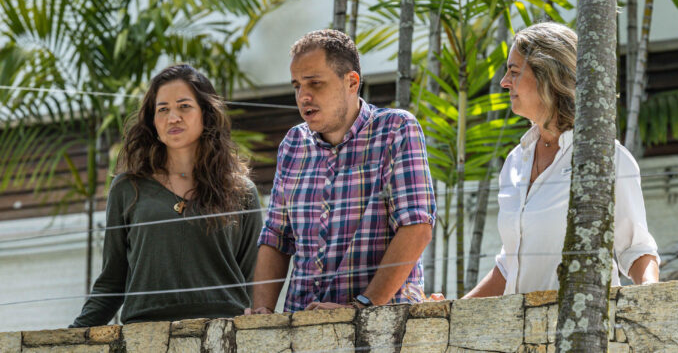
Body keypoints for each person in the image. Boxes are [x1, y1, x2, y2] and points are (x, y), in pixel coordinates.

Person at [246, 29, 436, 313]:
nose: (303, 96)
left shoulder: (396, 130)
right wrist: (261, 314)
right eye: (297, 85)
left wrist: (360, 308)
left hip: (383, 327)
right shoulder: (292, 144)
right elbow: (276, 237)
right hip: (302, 330)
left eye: (315, 83)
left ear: (351, 82)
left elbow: (417, 228)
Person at [464, 22, 660, 298]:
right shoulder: (514, 162)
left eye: (514, 72)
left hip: (584, 335)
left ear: (548, 76)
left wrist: (652, 302)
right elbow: (510, 266)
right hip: (516, 336)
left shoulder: (605, 157)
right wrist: (450, 312)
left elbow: (637, 250)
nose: (504, 82)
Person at [70, 64, 262, 326]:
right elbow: (112, 282)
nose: (173, 118)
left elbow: (254, 284)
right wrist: (69, 339)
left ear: (206, 114)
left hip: (224, 333)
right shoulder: (128, 188)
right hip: (144, 335)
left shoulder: (242, 192)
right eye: (163, 110)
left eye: (184, 106)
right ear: (153, 121)